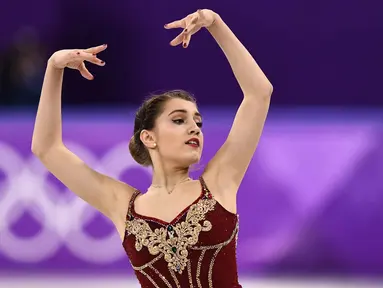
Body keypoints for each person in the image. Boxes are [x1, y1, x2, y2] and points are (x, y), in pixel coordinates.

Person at [31, 8, 272, 288]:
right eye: (179, 120)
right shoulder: (122, 204)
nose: (195, 128)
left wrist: (214, 22)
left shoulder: (220, 182)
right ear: (149, 137)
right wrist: (53, 68)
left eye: (198, 122)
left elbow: (259, 93)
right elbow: (46, 148)